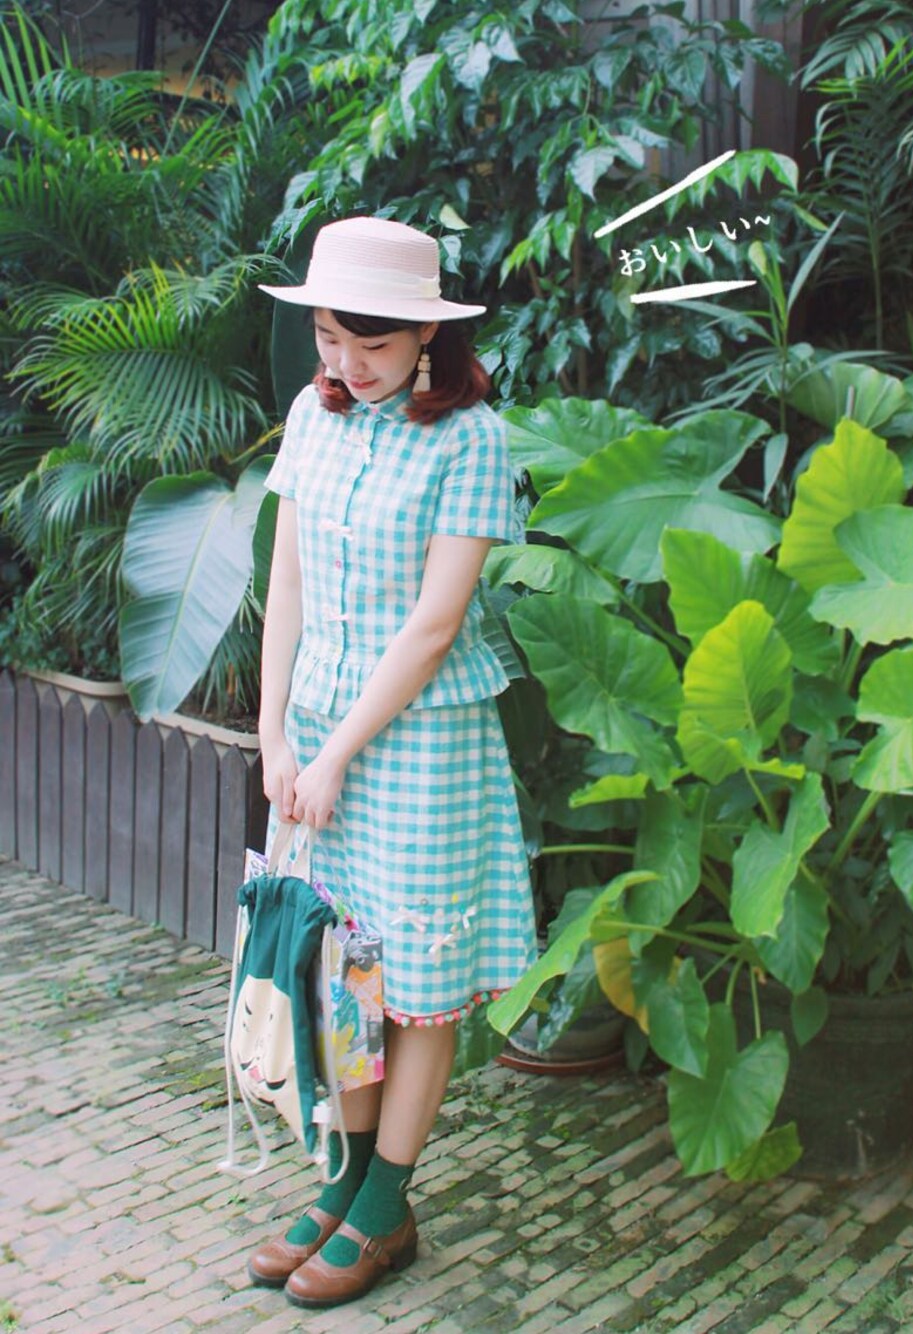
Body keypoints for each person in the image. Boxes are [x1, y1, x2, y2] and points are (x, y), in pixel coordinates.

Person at [247, 216, 537, 1310]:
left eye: (370, 344)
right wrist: (275, 732)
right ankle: (345, 1178)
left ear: (426, 336)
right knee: (341, 972)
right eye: (328, 337)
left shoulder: (471, 439)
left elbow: (434, 625)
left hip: (419, 745)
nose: (346, 363)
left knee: (413, 985)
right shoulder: (310, 414)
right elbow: (286, 578)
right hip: (314, 733)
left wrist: (331, 755)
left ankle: (386, 1201)